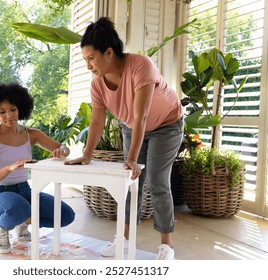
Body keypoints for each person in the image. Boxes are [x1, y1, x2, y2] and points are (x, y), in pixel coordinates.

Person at [65, 17, 183, 260]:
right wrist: (87, 154)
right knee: (130, 184)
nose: (88, 65)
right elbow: (97, 121)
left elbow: (142, 116)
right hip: (132, 128)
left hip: (167, 125)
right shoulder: (97, 83)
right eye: (85, 59)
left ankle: (166, 246)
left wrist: (131, 159)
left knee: (158, 182)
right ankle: (125, 240)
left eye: (91, 58)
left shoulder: (141, 66)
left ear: (109, 52)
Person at [0, 82, 75, 254]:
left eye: (12, 109)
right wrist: (10, 167)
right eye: (2, 112)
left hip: (25, 191)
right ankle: (3, 228)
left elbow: (64, 148)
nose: (9, 116)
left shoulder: (31, 134)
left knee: (65, 215)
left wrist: (61, 151)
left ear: (20, 107)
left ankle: (22, 222)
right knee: (19, 207)